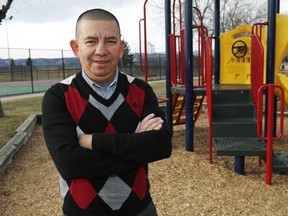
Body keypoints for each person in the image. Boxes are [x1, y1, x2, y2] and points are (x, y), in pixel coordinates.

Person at [42, 8, 172, 216]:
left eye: (110, 41)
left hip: (140, 209)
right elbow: (70, 165)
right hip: (81, 211)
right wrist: (136, 145)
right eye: (91, 41)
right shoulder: (59, 95)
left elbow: (161, 146)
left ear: (121, 48)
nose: (101, 50)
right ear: (76, 48)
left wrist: (93, 142)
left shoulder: (141, 90)